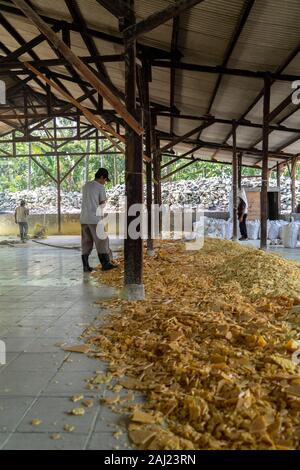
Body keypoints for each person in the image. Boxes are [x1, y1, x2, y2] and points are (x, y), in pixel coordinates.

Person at [80, 168, 117, 273]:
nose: (105, 182)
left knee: (86, 242)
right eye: (105, 180)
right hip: (94, 218)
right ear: (101, 177)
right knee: (102, 240)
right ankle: (105, 264)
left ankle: (85, 266)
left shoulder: (86, 185)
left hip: (83, 218)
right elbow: (102, 202)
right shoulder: (100, 187)